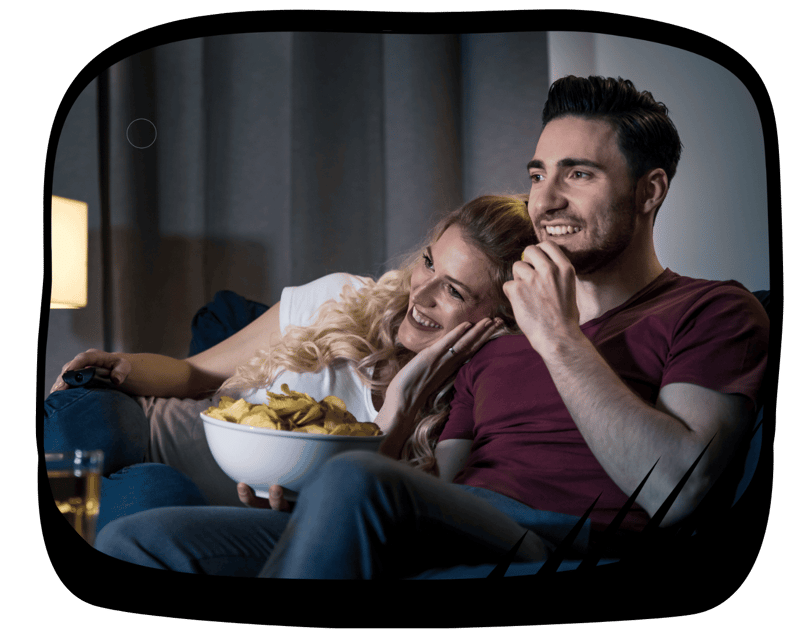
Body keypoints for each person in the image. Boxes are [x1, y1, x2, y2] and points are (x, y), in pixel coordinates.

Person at [94, 76, 769, 579]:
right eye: (539, 175)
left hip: (558, 540)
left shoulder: (713, 311)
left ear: (650, 191)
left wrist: (560, 338)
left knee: (354, 482)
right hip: (449, 524)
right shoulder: (494, 338)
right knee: (139, 541)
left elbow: (677, 490)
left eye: (580, 174)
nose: (547, 199)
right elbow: (436, 488)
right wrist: (388, 421)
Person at [45, 194, 537, 533]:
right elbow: (195, 373)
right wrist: (120, 365)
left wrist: (405, 405)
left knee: (154, 492)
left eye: (453, 290)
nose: (421, 294)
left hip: (198, 506)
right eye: (429, 262)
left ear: (499, 319)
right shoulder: (340, 296)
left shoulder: (465, 415)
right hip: (147, 429)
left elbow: (356, 511)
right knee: (82, 420)